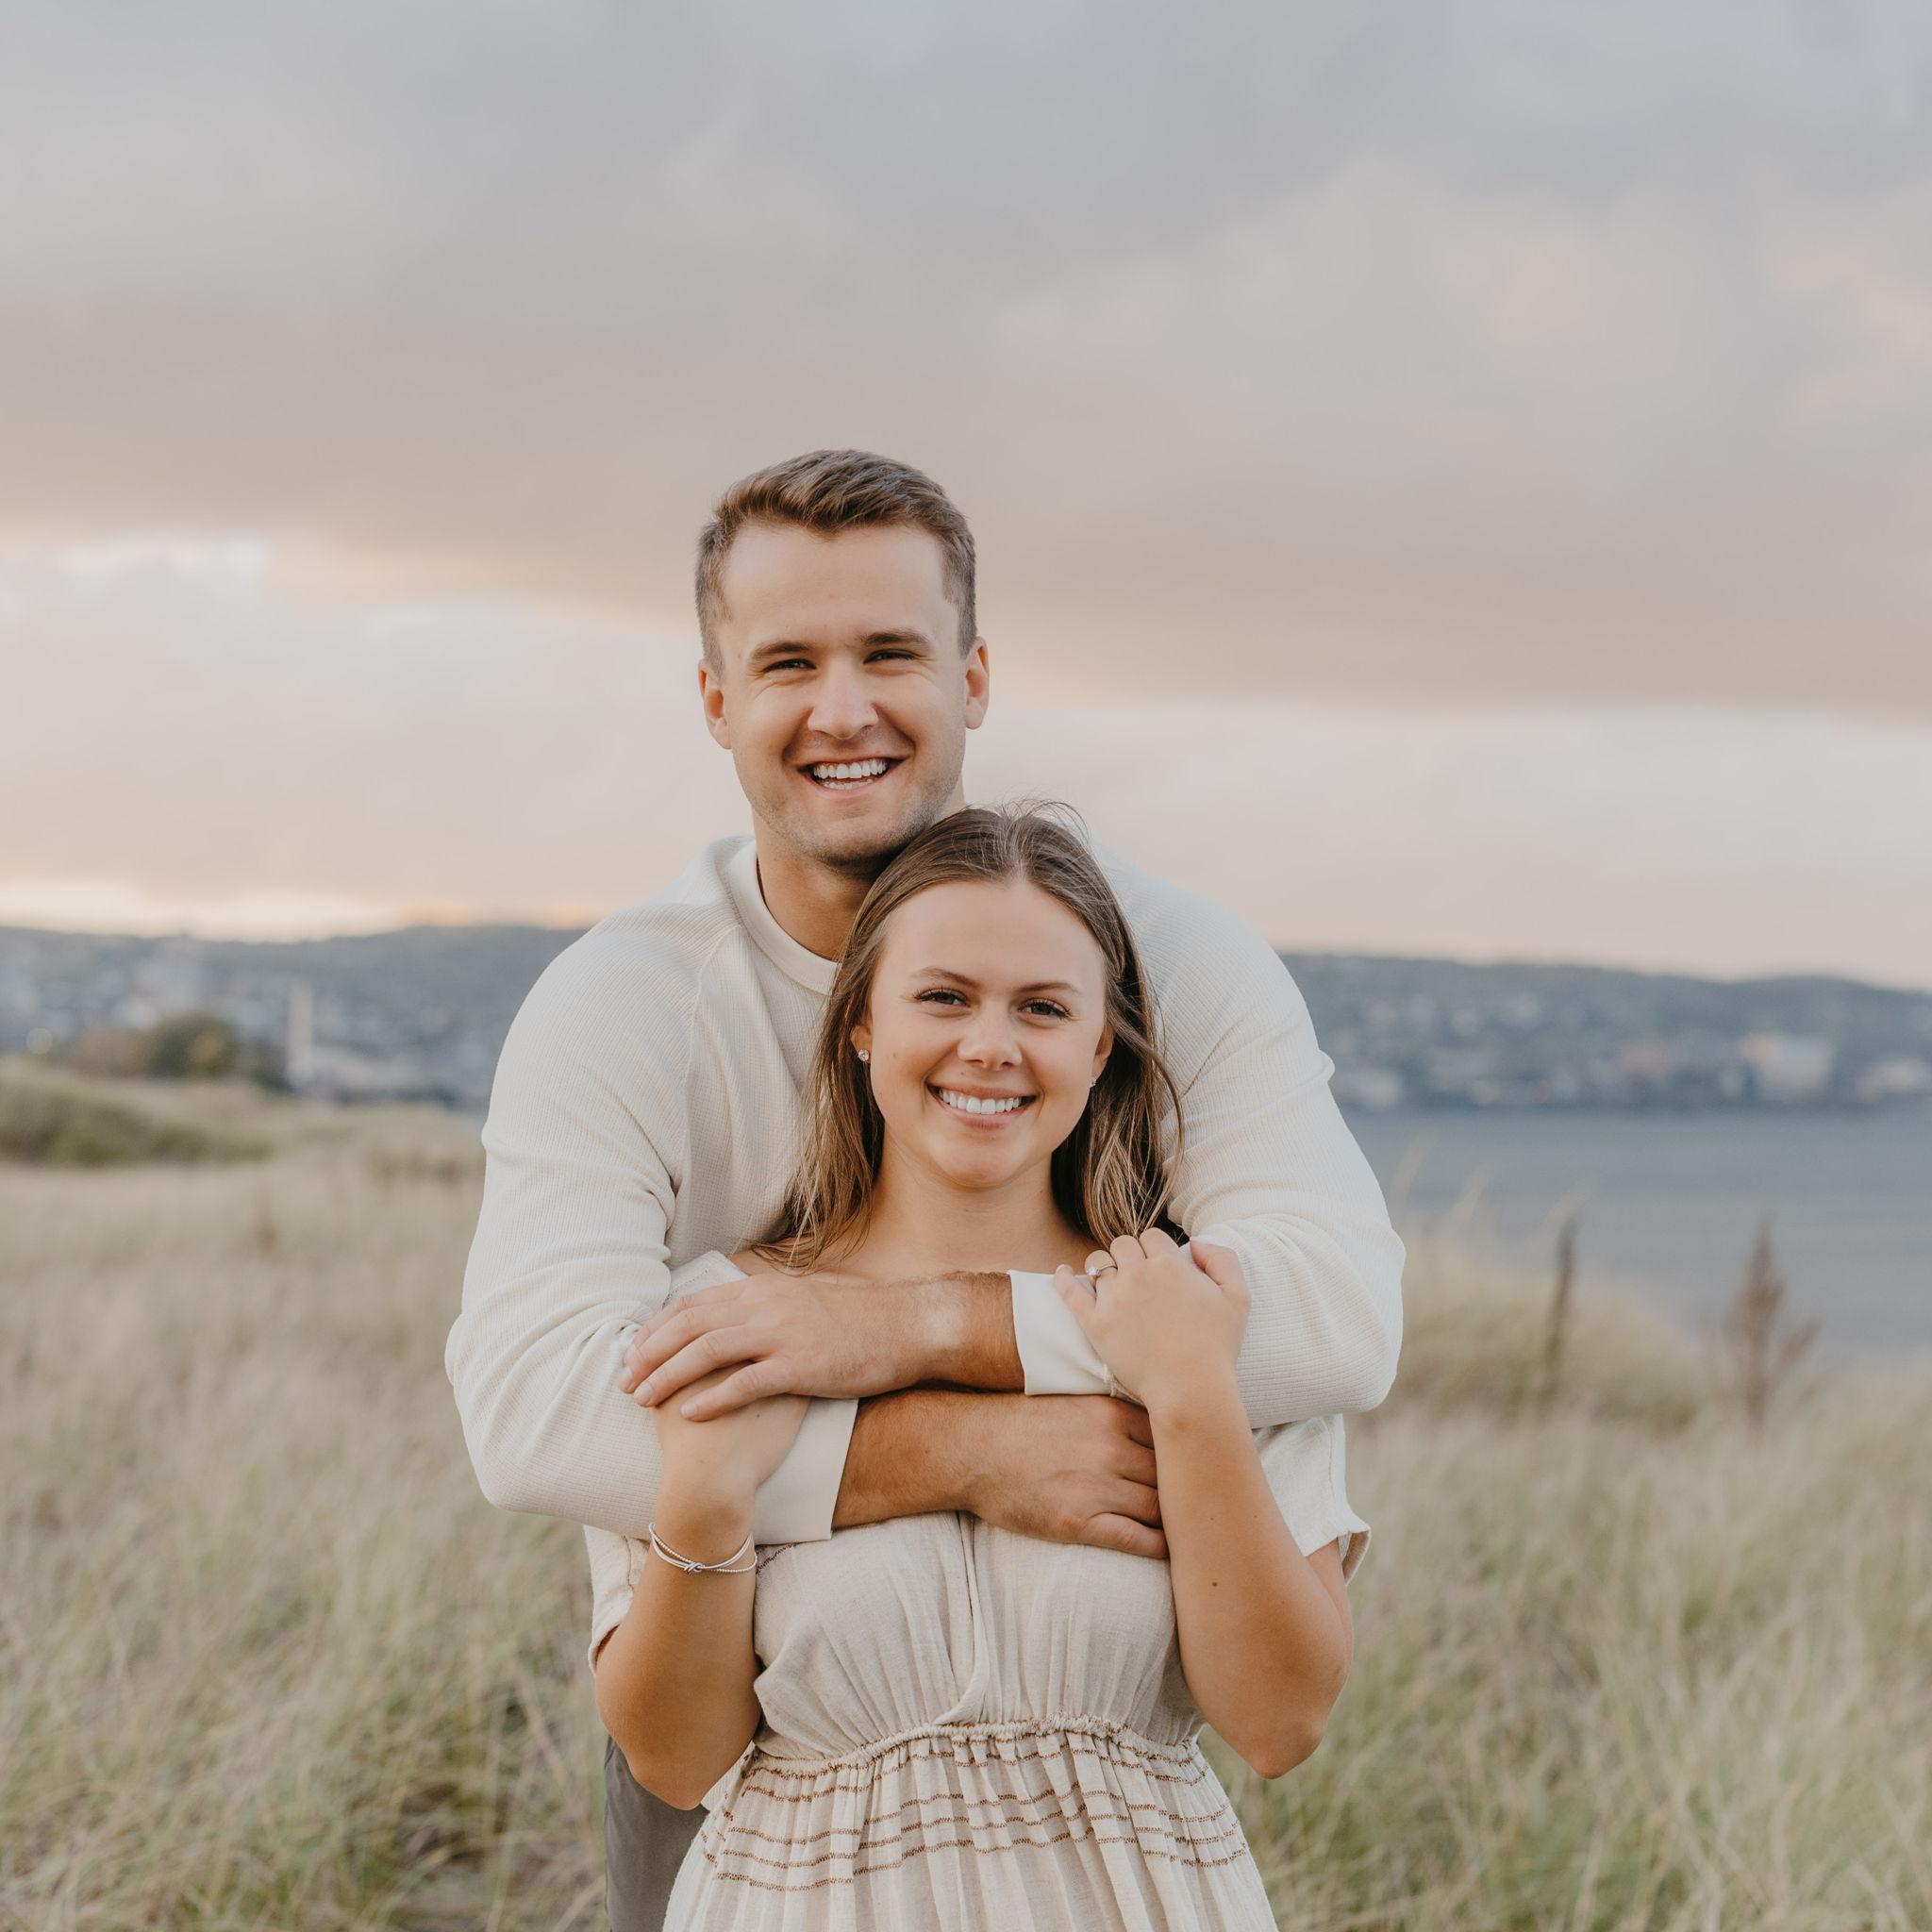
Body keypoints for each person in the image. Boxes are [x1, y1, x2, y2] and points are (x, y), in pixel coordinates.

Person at [448, 449, 1403, 1927]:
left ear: (972, 678)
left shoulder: (1175, 958)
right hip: (769, 1773)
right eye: (788, 662)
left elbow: (1335, 1320)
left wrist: (917, 1328)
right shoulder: (621, 1005)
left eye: (890, 653)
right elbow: (531, 1414)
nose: (844, 709)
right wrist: (956, 1450)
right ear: (716, 699)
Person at [591, 804, 1370, 1928]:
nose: (990, 1045)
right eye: (944, 996)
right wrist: (709, 1495)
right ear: (862, 1020)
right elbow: (672, 1758)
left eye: (1041, 1007)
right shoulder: (722, 1316)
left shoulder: (1191, 1309)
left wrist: (1190, 1390)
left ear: (1098, 1048)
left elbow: (1279, 1722)